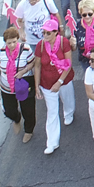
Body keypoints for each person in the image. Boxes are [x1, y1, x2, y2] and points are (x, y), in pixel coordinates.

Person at [33, 16, 75, 154]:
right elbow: (37, 66)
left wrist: (60, 81)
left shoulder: (64, 43)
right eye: (44, 32)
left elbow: (68, 65)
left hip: (64, 80)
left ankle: (69, 113)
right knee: (52, 113)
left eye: (48, 33)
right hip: (47, 83)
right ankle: (52, 142)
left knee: (68, 102)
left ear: (56, 32)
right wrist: (37, 85)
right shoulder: (40, 45)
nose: (45, 35)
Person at [0, 26, 37, 143]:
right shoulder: (1, 53)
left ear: (18, 39)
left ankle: (28, 130)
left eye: (14, 42)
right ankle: (16, 118)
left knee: (28, 110)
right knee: (9, 111)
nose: (12, 45)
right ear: (5, 42)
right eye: (9, 43)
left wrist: (23, 72)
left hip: (23, 86)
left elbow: (33, 64)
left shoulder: (26, 50)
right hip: (7, 88)